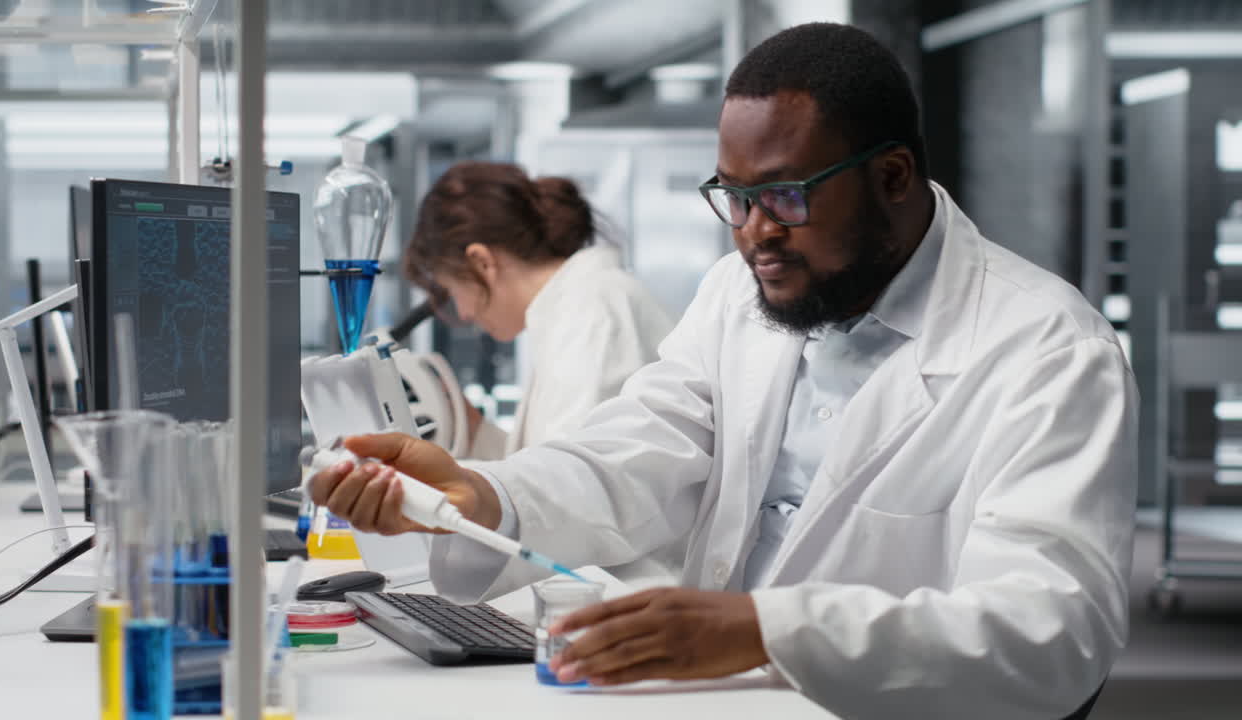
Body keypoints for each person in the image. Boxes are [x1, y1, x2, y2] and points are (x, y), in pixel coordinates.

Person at [312, 22, 1136, 719]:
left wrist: (765, 629)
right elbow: (638, 444)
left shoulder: (1048, 352)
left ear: (892, 177)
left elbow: (1050, 631)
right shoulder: (741, 295)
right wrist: (484, 494)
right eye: (734, 197)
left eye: (784, 195)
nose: (750, 234)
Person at [404, 162, 674, 461]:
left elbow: (573, 485)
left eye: (454, 291)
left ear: (481, 262)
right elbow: (546, 472)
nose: (464, 314)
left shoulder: (593, 311)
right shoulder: (573, 309)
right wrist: (475, 431)